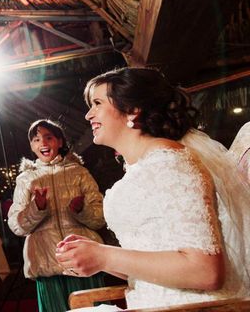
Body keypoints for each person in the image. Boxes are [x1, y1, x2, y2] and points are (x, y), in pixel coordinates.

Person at [56, 67, 250, 310]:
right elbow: (156, 268)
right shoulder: (147, 166)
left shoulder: (170, 164)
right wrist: (95, 259)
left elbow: (205, 271)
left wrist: (104, 255)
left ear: (132, 110)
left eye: (97, 103)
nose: (88, 115)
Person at [7, 119, 106, 312]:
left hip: (83, 261)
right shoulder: (26, 179)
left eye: (48, 137)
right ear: (31, 146)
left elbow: (99, 218)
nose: (42, 143)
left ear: (60, 142)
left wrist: (80, 210)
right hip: (46, 263)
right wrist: (37, 207)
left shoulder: (80, 173)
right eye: (36, 139)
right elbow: (16, 226)